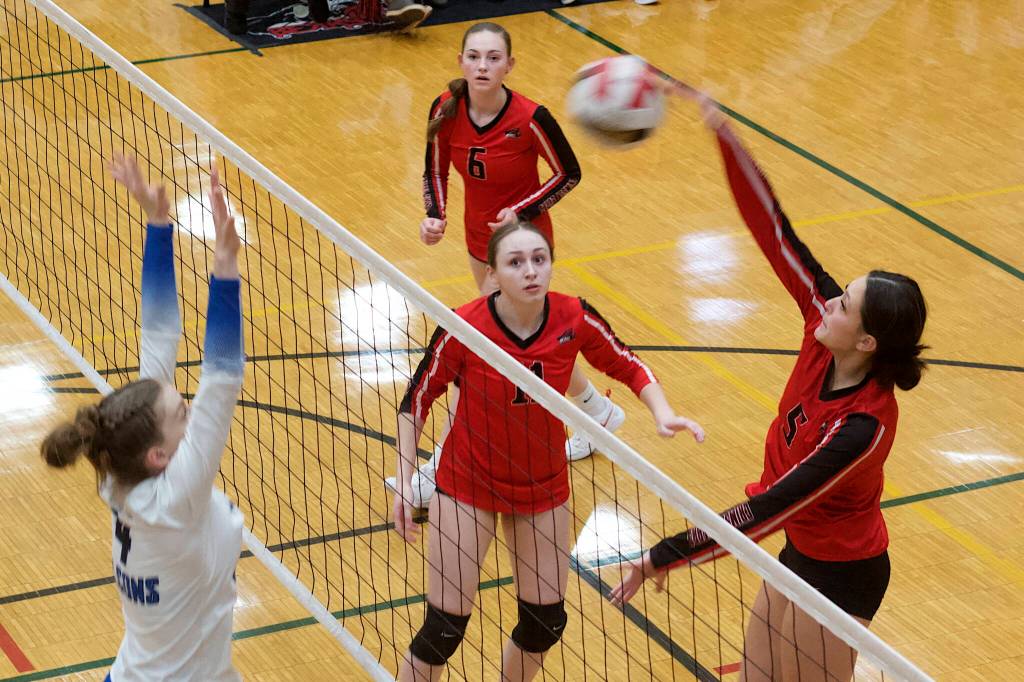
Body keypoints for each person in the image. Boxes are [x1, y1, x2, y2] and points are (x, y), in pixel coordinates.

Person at [609, 97, 929, 682]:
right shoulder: (824, 330)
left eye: (845, 305)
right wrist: (728, 140)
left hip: (841, 574)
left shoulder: (861, 427)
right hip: (799, 553)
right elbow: (776, 233)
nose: (829, 303)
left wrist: (666, 554)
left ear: (867, 342)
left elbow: (771, 508)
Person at [393, 221, 705, 682]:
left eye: (539, 259)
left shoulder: (573, 317)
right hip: (467, 485)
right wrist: (404, 479)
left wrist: (663, 412)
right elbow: (416, 400)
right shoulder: (464, 326)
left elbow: (628, 363)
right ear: (492, 274)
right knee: (443, 630)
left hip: (541, 487)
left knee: (545, 623)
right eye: (515, 262)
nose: (530, 270)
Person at [391, 21, 622, 509]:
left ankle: (437, 471)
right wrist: (434, 215)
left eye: (493, 58)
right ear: (461, 61)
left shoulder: (531, 117)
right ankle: (596, 411)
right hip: (480, 242)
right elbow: (434, 168)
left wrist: (523, 210)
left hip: (523, 247)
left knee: (479, 348)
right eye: (474, 56)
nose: (482, 66)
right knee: (525, 335)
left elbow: (568, 173)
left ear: (509, 65)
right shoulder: (445, 108)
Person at [41, 156, 246, 681]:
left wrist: (159, 225)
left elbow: (157, 336)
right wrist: (225, 267)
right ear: (160, 455)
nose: (190, 408)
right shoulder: (174, 496)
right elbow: (221, 379)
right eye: (182, 414)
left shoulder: (123, 473)